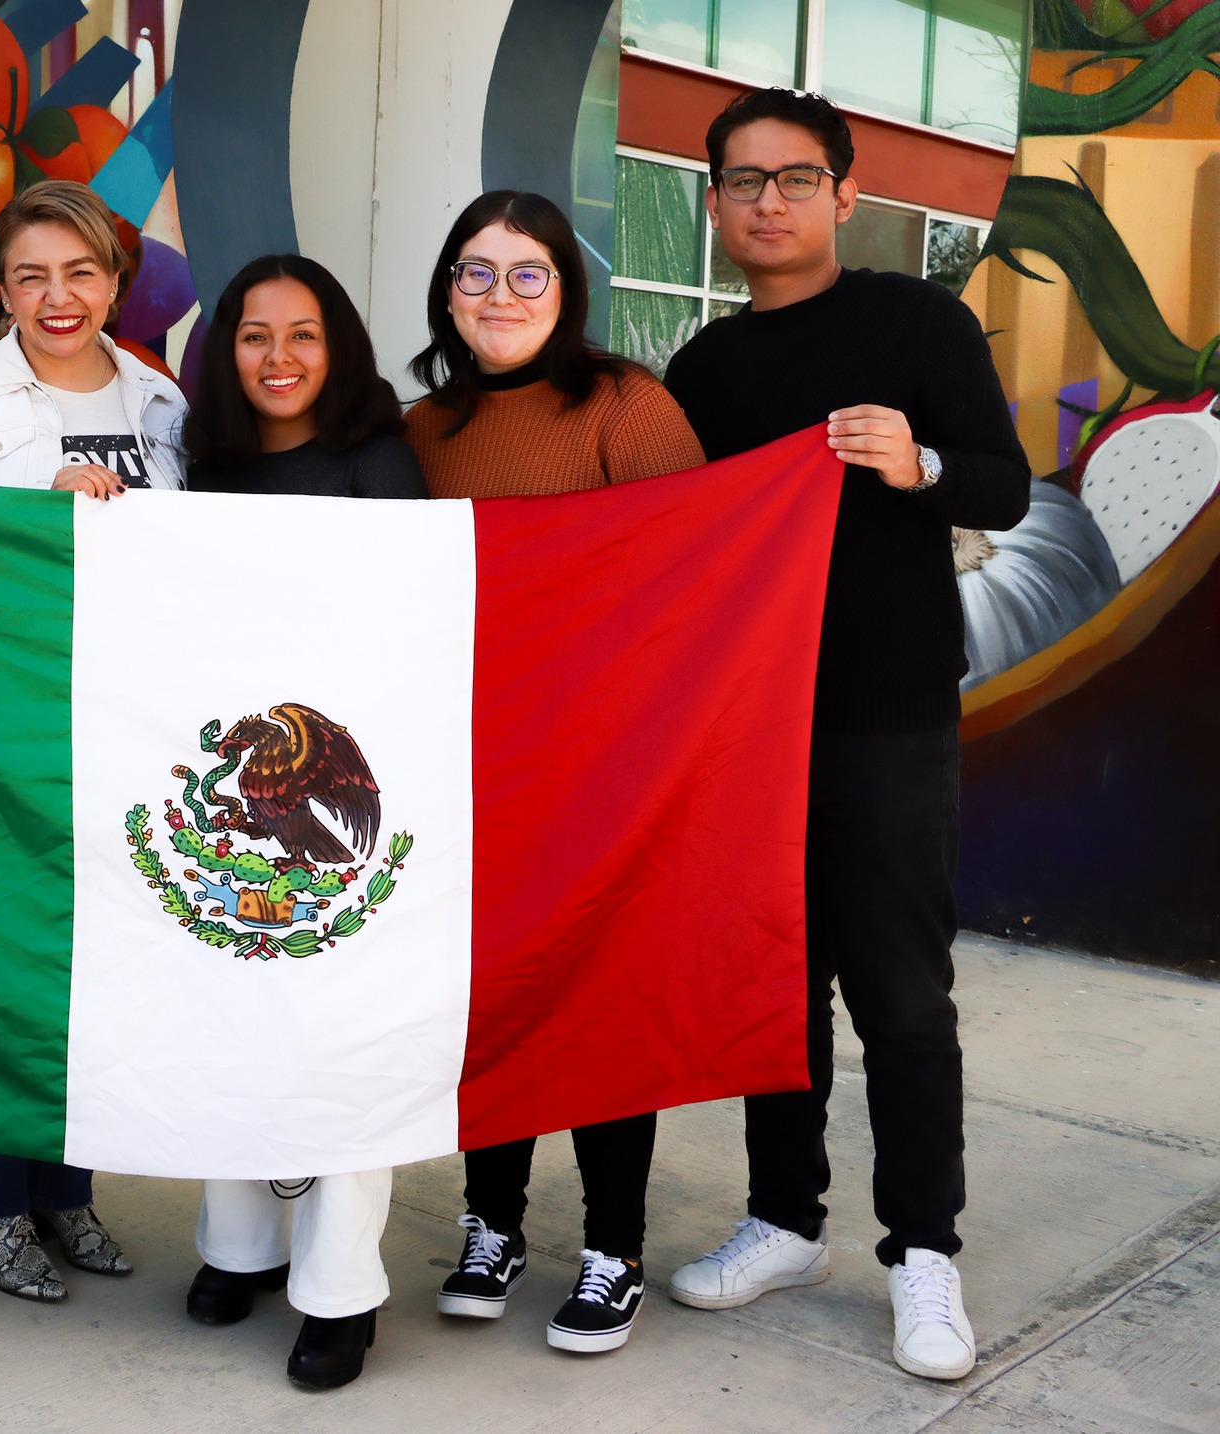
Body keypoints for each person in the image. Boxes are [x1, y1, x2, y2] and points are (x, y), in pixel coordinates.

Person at [658, 88, 1030, 1383]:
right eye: (744, 182)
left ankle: (924, 1251)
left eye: (795, 178)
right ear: (713, 205)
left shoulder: (917, 322)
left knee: (903, 997)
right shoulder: (703, 369)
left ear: (846, 195)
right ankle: (784, 1216)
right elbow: (662, 547)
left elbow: (1008, 482)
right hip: (748, 726)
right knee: (775, 984)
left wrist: (920, 461)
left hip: (888, 716)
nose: (769, 201)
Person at [407, 190, 704, 1356]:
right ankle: (491, 1226)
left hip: (604, 763)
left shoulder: (626, 408)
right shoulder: (417, 429)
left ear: (564, 292)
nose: (497, 294)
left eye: (525, 273)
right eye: (473, 272)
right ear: (445, 291)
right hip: (466, 762)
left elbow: (691, 572)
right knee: (490, 1001)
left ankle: (613, 1250)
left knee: (600, 1002)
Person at [0, 179, 184, 1298]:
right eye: (29, 274)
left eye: (78, 271)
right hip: (0, 723)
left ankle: (64, 1192)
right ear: (2, 287)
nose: (55, 296)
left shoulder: (162, 400)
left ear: (114, 280)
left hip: (121, 726)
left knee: (97, 972)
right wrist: (40, 505)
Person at [180, 252, 426, 1390]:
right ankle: (238, 1247)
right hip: (231, 780)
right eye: (252, 336)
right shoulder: (202, 461)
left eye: (304, 335)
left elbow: (413, 622)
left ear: (340, 350)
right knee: (223, 1003)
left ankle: (337, 1290)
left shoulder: (377, 460)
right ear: (224, 351)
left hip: (352, 783)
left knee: (343, 1040)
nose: (277, 359)